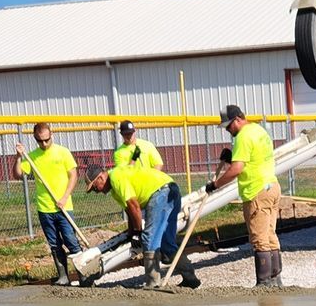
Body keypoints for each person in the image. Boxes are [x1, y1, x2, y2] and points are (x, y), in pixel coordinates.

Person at [205, 104, 282, 288]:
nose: (228, 130)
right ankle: (275, 279)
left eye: (228, 126)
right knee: (270, 234)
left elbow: (237, 169)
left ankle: (264, 283)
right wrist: (232, 157)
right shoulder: (259, 130)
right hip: (271, 186)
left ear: (237, 119)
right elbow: (254, 160)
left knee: (259, 238)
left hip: (256, 191)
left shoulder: (242, 136)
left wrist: (215, 184)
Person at [89, 162, 200, 288]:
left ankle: (153, 283)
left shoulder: (116, 178)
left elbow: (134, 205)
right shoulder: (115, 188)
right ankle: (190, 278)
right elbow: (130, 211)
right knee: (166, 242)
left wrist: (137, 233)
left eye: (94, 187)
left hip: (160, 193)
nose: (95, 191)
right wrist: (132, 233)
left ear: (100, 178)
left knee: (149, 238)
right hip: (171, 189)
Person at [16, 123, 83, 286]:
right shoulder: (32, 156)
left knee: (71, 241)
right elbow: (18, 174)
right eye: (40, 141)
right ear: (35, 139)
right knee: (54, 244)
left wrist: (65, 197)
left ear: (51, 135)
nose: (44, 144)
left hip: (63, 206)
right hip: (44, 209)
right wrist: (18, 157)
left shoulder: (62, 152)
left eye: (46, 140)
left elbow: (73, 175)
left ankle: (83, 274)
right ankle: (63, 277)